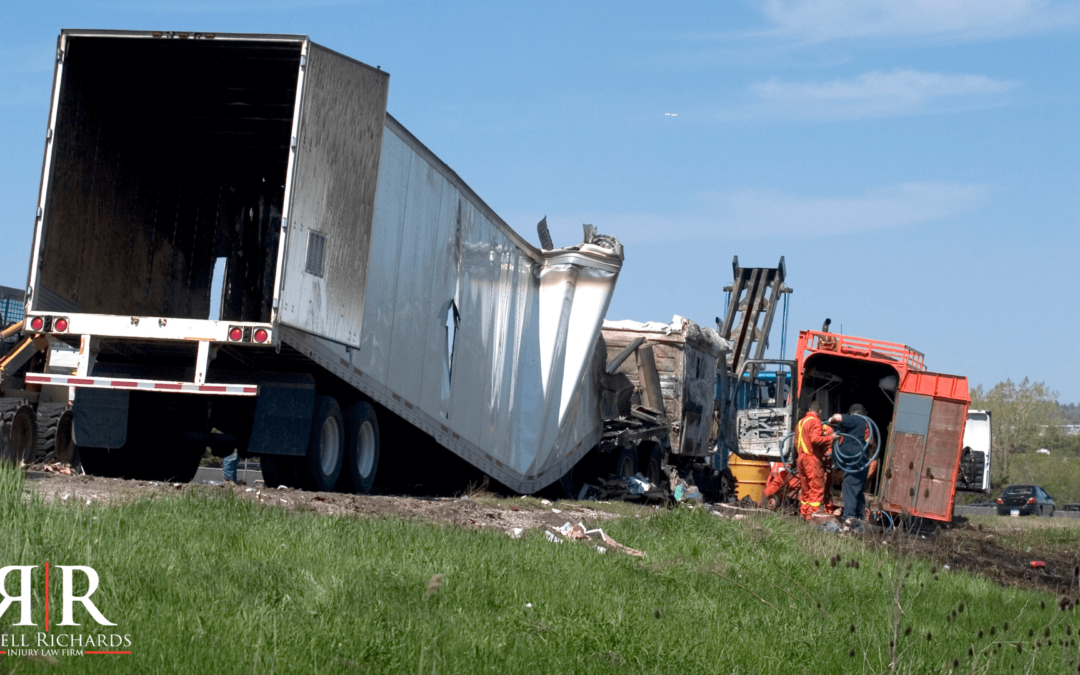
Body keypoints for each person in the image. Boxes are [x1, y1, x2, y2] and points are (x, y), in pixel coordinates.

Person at [829, 404, 872, 526]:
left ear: (853, 413)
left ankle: (849, 519)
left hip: (854, 461)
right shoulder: (865, 424)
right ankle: (859, 519)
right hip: (862, 461)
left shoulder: (856, 419)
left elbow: (837, 417)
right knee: (857, 490)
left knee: (849, 488)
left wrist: (832, 419)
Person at [796, 401, 834, 520]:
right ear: (820, 411)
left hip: (801, 458)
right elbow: (815, 439)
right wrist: (830, 438)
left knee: (805, 489)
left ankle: (804, 513)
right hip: (811, 459)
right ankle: (813, 517)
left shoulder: (801, 422)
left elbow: (796, 441)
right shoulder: (815, 421)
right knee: (816, 488)